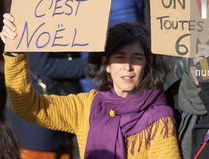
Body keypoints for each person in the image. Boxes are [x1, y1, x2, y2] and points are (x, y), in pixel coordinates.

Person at [1, 15, 181, 159]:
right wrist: (14, 52)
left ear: (146, 66)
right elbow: (28, 107)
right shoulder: (86, 106)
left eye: (137, 58)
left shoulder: (159, 119)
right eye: (120, 57)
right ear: (107, 64)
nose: (128, 66)